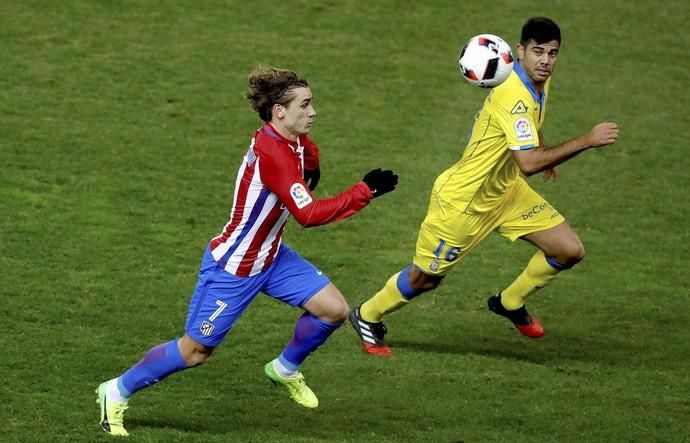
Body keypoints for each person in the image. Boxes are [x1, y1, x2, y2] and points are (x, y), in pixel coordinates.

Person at [96, 66, 398, 436]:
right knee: (195, 352)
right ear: (279, 111)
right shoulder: (275, 154)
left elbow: (309, 165)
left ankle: (284, 369)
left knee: (333, 310)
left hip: (272, 256)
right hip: (234, 268)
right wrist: (364, 191)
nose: (313, 112)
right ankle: (116, 390)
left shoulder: (293, 141)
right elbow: (307, 214)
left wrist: (313, 170)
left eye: (312, 103)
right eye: (304, 105)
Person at [349, 17, 618, 356]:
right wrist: (587, 140)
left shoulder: (538, 81)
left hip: (506, 192)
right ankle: (366, 315)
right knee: (426, 279)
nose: (546, 61)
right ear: (519, 51)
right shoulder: (511, 95)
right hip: (464, 202)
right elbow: (530, 163)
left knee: (568, 250)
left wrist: (544, 147)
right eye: (538, 52)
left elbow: (530, 126)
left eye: (553, 53)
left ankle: (509, 302)